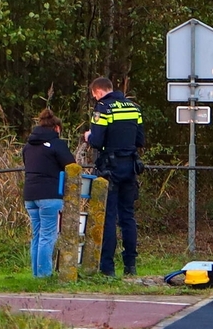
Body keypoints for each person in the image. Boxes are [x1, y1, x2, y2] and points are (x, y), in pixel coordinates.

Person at [85, 77, 145, 276]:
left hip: (110, 168)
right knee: (127, 216)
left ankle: (108, 268)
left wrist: (89, 136)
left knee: (109, 216)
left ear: (99, 91)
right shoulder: (134, 108)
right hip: (130, 166)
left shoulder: (103, 108)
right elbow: (140, 140)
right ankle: (130, 266)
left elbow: (97, 141)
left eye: (95, 95)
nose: (95, 99)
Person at [22, 108, 76, 278]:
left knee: (37, 235)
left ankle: (36, 274)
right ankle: (44, 274)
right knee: (47, 235)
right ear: (57, 128)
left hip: (30, 194)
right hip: (50, 194)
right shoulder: (57, 144)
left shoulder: (28, 146)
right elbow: (71, 165)